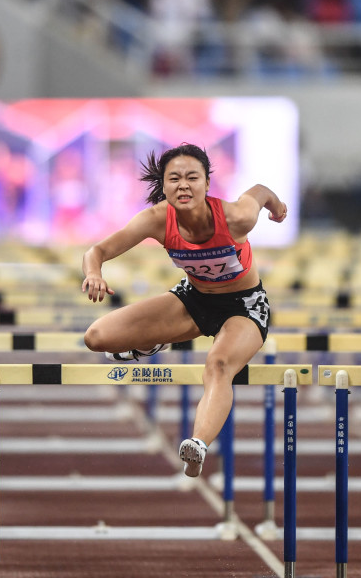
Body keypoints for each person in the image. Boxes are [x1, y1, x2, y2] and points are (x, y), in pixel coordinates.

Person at [82, 143, 287, 478]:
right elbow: (97, 251)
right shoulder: (156, 220)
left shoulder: (236, 217)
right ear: (164, 186)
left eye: (192, 177)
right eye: (174, 179)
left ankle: (198, 444)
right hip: (194, 298)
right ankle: (158, 339)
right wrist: (93, 273)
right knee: (97, 337)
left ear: (207, 183)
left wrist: (277, 207)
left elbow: (261, 191)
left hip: (244, 306)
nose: (183, 185)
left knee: (218, 366)